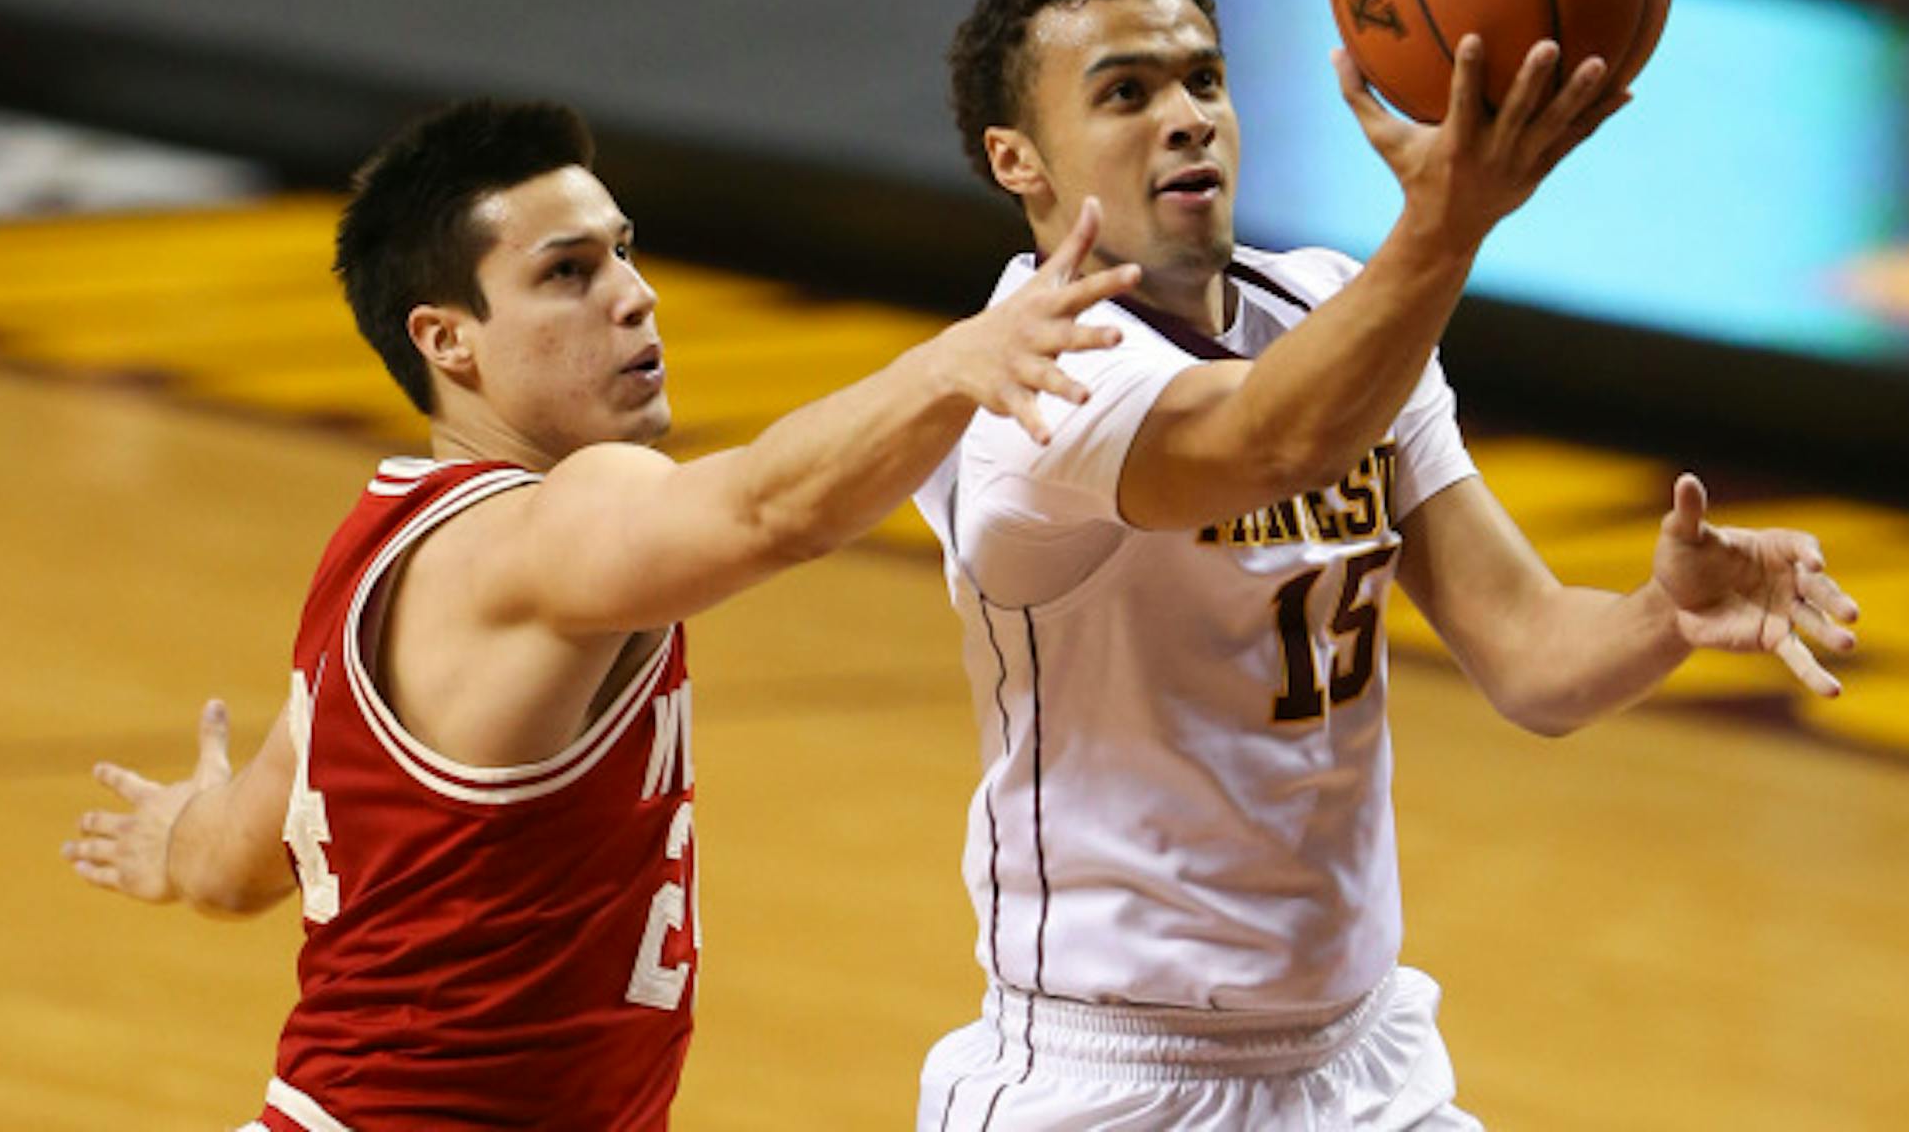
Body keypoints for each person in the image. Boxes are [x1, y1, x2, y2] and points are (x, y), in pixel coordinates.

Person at [912, 0, 1860, 1128]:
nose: (1188, 116)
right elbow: (1269, 439)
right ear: (1019, 161)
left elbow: (1531, 660)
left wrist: (1663, 617)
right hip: (1111, 1078)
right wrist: (1450, 223)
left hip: (1361, 1067)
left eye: (1205, 78)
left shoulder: (1332, 307)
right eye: (1126, 93)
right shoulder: (1028, 390)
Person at [60, 98, 1141, 1130]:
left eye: (624, 250)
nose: (635, 295)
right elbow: (770, 510)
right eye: (568, 273)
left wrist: (175, 843)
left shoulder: (382, 550)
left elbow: (232, 862)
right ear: (446, 340)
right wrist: (953, 366)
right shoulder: (535, 532)